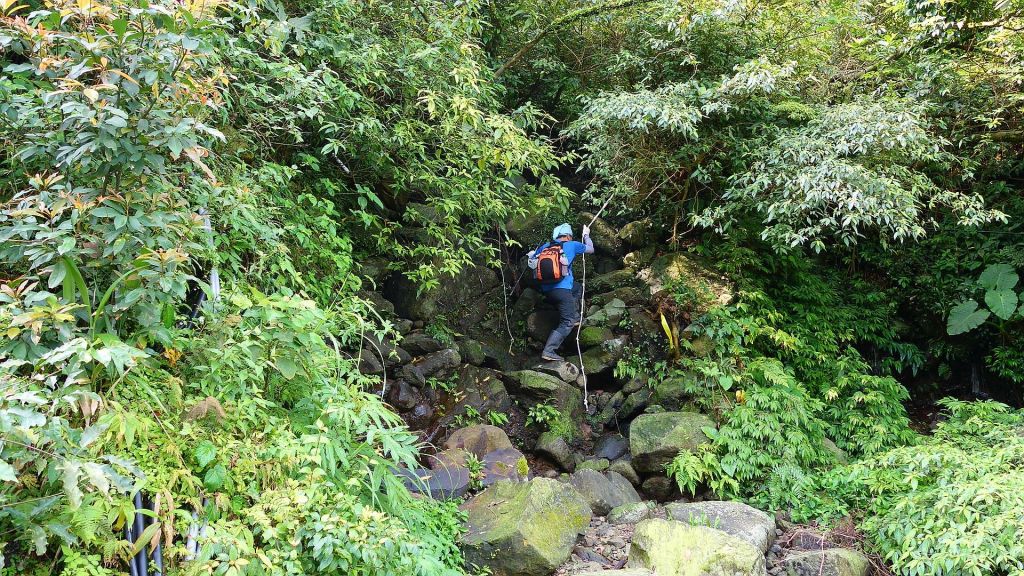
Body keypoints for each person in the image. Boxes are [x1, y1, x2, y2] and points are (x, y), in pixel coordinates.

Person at [528, 223, 595, 361]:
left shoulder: (545, 246)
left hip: (546, 290)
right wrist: (586, 235)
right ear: (568, 235)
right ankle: (549, 350)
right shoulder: (572, 245)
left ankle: (576, 316)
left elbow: (533, 261)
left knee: (578, 287)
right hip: (562, 290)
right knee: (567, 321)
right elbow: (591, 249)